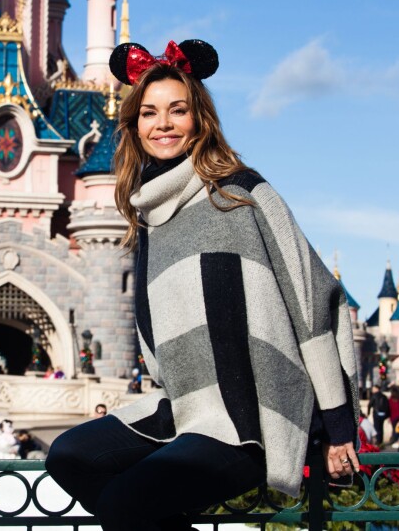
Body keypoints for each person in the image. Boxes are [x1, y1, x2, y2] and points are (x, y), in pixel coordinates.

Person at [45, 39, 360, 531]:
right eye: (149, 113)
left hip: (249, 419)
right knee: (68, 456)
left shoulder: (241, 193)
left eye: (178, 110)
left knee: (123, 507)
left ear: (200, 120)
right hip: (185, 409)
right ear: (133, 126)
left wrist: (338, 426)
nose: (163, 124)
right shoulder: (149, 213)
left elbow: (311, 300)